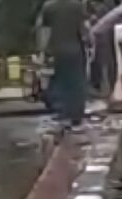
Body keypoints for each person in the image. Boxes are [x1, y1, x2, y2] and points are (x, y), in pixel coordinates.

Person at [39, 0, 90, 130]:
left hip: (58, 51)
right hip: (76, 50)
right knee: (77, 82)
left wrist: (43, 51)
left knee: (63, 82)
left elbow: (45, 32)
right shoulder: (77, 5)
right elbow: (84, 28)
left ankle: (65, 115)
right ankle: (77, 117)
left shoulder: (49, 7)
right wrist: (89, 42)